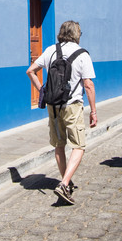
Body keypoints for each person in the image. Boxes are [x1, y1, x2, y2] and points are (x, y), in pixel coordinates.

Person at [27, 20, 97, 205]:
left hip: (53, 106)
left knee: (59, 145)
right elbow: (88, 85)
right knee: (78, 146)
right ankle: (65, 183)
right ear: (77, 34)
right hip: (72, 105)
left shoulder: (51, 50)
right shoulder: (82, 54)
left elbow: (31, 71)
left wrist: (42, 89)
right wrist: (94, 111)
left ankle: (66, 180)